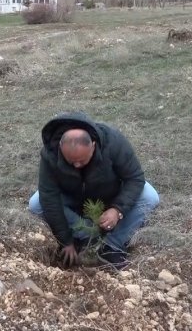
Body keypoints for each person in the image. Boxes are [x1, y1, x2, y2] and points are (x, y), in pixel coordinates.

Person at [28, 111, 160, 269]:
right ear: (61, 148)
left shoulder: (113, 142)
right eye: (71, 162)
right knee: (36, 203)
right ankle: (85, 236)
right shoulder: (50, 153)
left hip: (110, 195)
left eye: (82, 161)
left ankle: (111, 246)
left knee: (149, 195)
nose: (77, 166)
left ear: (94, 146)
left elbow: (135, 178)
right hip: (72, 199)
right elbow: (49, 196)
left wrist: (117, 210)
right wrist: (66, 241)